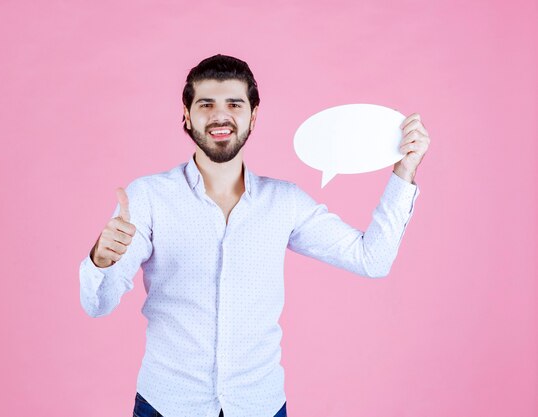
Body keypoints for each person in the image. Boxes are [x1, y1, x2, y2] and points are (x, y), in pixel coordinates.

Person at [79, 54, 430, 417]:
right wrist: (100, 260)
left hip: (259, 404)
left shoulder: (285, 201)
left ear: (253, 115)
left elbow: (372, 259)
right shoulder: (147, 197)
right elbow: (97, 305)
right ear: (186, 115)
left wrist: (404, 172)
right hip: (166, 404)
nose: (220, 116)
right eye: (206, 104)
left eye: (234, 103)